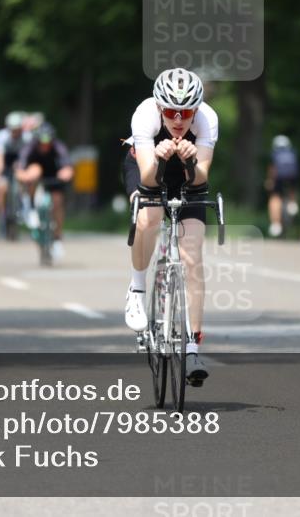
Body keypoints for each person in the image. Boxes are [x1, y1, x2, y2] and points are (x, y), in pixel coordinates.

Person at [123, 68, 218, 386]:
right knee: (148, 218)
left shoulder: (207, 119)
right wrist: (161, 159)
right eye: (171, 111)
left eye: (186, 112)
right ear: (159, 106)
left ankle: (192, 348)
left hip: (188, 177)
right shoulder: (144, 115)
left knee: (192, 255)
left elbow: (201, 177)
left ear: (196, 109)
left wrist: (190, 161)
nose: (178, 119)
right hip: (148, 167)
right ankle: (137, 288)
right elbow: (148, 178)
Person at [15, 123, 73, 257]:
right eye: (42, 142)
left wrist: (66, 172)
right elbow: (20, 169)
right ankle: (31, 208)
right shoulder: (30, 148)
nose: (45, 145)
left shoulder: (58, 147)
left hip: (53, 177)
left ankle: (57, 237)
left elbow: (67, 166)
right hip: (35, 178)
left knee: (57, 202)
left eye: (48, 142)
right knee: (34, 171)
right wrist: (23, 175)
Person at [0, 111, 27, 236]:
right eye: (12, 130)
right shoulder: (2, 136)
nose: (15, 132)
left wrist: (24, 171)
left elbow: (28, 157)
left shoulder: (27, 138)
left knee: (23, 184)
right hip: (5, 162)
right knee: (2, 188)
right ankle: (1, 216)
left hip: (20, 162)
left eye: (17, 129)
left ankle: (23, 208)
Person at [265, 134, 299, 238]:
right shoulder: (292, 152)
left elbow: (272, 168)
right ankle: (293, 203)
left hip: (279, 176)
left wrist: (270, 180)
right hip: (293, 176)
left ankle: (276, 224)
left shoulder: (275, 153)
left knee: (275, 197)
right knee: (292, 188)